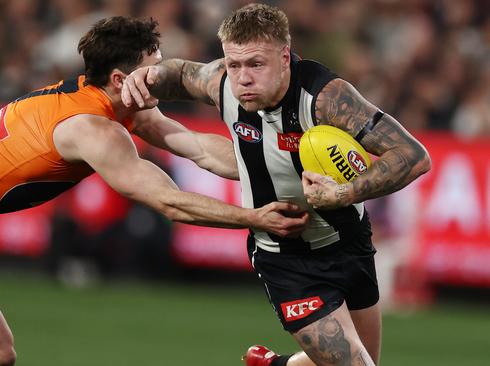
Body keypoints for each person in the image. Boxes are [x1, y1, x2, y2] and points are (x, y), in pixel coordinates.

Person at [0, 16, 310, 366]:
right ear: (123, 79)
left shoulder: (108, 97)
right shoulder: (92, 129)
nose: (164, 76)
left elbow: (195, 148)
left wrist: (284, 164)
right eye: (155, 69)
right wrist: (257, 217)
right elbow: (167, 200)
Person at [121, 4, 431, 366]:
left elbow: (413, 155)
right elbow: (180, 72)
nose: (243, 78)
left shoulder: (325, 98)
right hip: (286, 259)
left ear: (285, 57)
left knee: (362, 359)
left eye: (256, 64)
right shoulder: (223, 83)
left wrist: (342, 193)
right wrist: (146, 76)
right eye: (234, 65)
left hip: (350, 243)